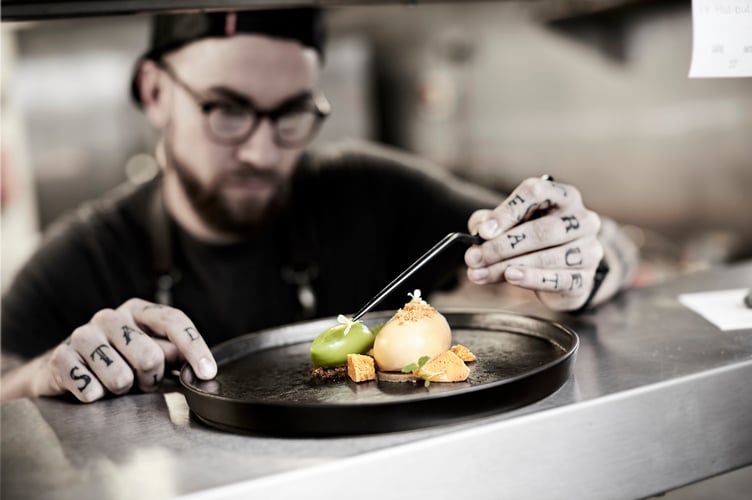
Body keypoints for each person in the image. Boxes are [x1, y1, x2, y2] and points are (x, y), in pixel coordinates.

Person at [0, 8, 638, 402]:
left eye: (293, 116)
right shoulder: (84, 254)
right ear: (155, 91)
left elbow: (614, 247)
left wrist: (590, 257)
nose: (260, 150)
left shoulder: (365, 187)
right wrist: (43, 378)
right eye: (226, 110)